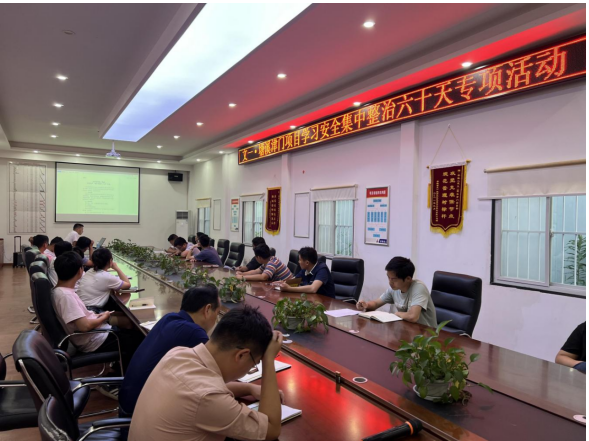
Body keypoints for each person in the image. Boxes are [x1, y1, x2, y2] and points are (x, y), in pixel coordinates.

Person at [129, 305, 283, 441]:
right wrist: (268, 360)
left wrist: (249, 388)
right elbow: (271, 429)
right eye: (255, 363)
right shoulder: (208, 398)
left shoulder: (178, 353)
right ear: (241, 355)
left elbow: (202, 392)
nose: (251, 367)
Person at [119, 285, 221, 414]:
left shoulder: (168, 318)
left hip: (127, 401)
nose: (216, 319)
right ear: (207, 310)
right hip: (140, 414)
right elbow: (217, 378)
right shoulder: (195, 333)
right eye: (217, 313)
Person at [356, 257, 438, 328]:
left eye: (394, 279)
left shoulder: (419, 288)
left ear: (408, 279)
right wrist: (366, 305)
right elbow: (376, 303)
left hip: (426, 336)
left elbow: (413, 316)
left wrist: (396, 314)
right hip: (408, 331)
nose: (390, 282)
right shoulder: (394, 289)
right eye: (388, 278)